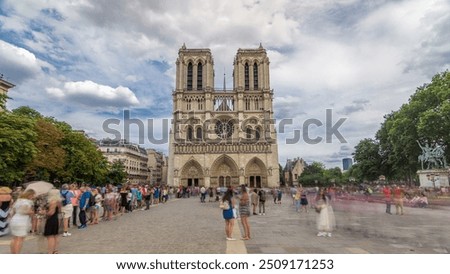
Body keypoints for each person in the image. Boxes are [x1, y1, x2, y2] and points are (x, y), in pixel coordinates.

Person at [9, 189, 35, 253]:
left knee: (14, 238)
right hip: (22, 221)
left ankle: (13, 253)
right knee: (19, 239)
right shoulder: (28, 202)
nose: (33, 196)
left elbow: (13, 211)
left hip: (14, 219)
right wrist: (32, 212)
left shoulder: (18, 201)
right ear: (30, 195)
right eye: (33, 195)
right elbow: (25, 211)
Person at [44, 189, 62, 254]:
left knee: (50, 236)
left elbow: (51, 213)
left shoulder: (52, 202)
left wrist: (44, 213)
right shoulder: (58, 201)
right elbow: (59, 211)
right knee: (55, 235)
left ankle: (50, 252)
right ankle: (55, 250)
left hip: (51, 219)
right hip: (56, 219)